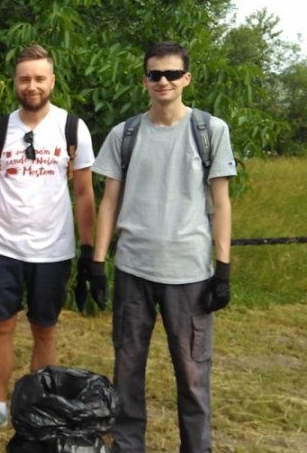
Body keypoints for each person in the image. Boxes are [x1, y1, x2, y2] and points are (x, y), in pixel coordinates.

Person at [90, 41, 236, 452]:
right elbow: (109, 202)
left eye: (172, 73)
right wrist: (97, 263)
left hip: (190, 273)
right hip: (133, 269)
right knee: (127, 370)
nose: (164, 81)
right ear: (144, 80)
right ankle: (126, 446)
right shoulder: (126, 134)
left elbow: (221, 204)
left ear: (186, 78)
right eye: (155, 74)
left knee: (192, 375)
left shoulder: (211, 131)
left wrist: (222, 270)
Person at [0, 44, 96, 438]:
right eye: (25, 78)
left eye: (40, 78)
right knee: (1, 326)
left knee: (45, 329)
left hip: (53, 250)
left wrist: (89, 251)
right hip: (3, 247)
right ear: (15, 83)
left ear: (52, 81)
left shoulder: (72, 128)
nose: (32, 85)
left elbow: (85, 194)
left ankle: (37, 406)